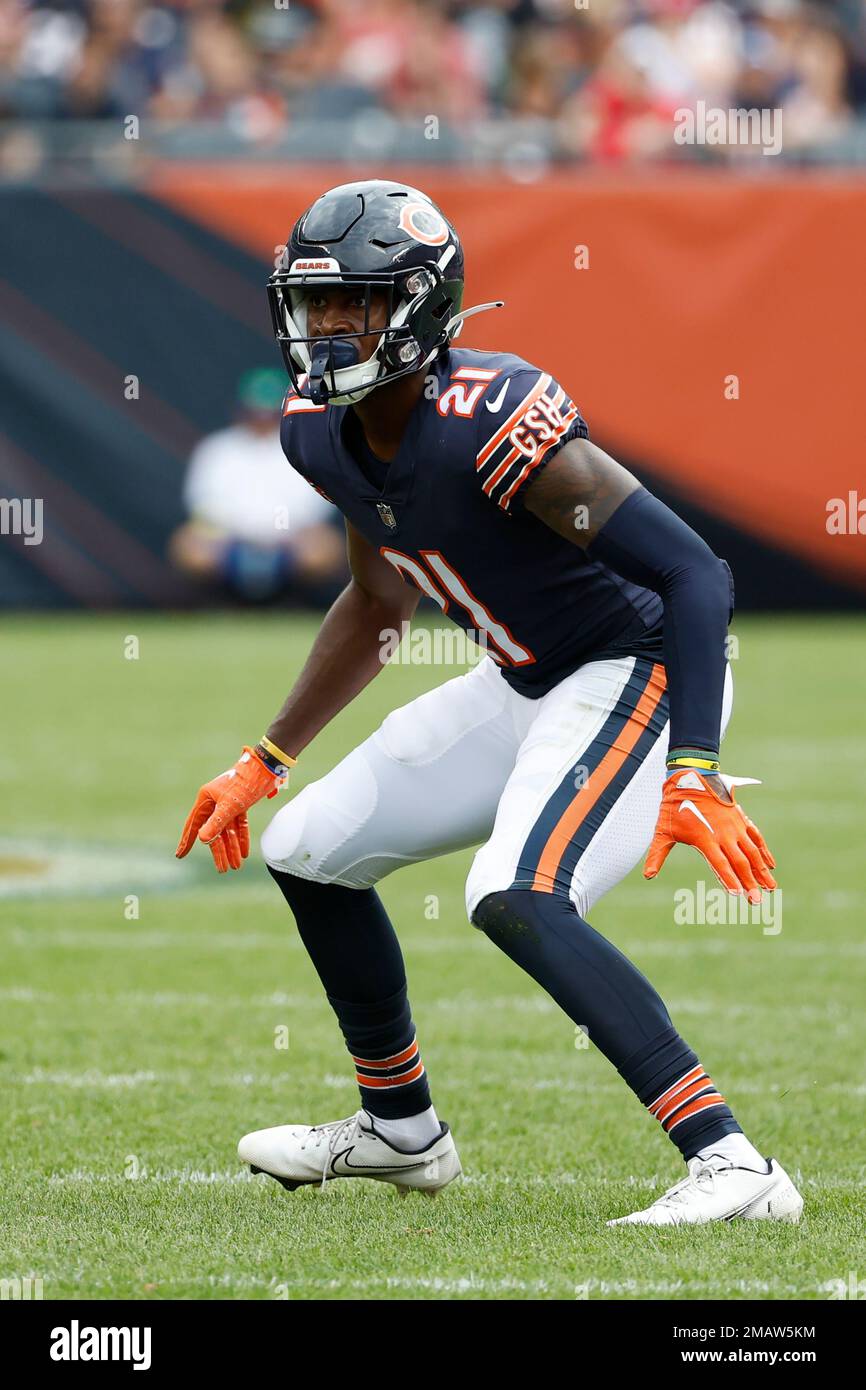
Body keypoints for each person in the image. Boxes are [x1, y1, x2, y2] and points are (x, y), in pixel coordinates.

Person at [176, 180, 802, 1226]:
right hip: (519, 677)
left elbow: (694, 574)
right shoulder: (316, 433)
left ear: (420, 306)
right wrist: (266, 756)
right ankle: (399, 1132)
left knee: (513, 891)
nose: (327, 330)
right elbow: (380, 602)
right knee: (306, 847)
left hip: (632, 666)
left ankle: (734, 1164)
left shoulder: (495, 418)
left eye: (355, 306)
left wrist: (690, 766)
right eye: (315, 305)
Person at [169, 366, 346, 604]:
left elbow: (317, 502)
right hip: (228, 539)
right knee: (188, 544)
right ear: (242, 410)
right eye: (257, 411)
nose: (263, 419)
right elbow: (202, 503)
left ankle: (300, 605)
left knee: (326, 547)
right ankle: (215, 605)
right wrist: (242, 534)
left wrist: (279, 534)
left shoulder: (304, 446)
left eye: (269, 411)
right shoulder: (217, 447)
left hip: (292, 540)